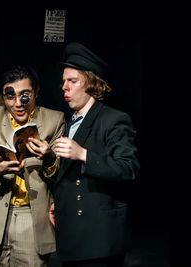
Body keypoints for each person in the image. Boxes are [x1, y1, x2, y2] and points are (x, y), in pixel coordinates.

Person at [50, 42, 140, 267]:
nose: (64, 87)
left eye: (72, 81)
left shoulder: (113, 119)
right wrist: (59, 203)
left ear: (91, 83)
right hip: (72, 235)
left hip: (98, 240)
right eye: (63, 81)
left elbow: (128, 168)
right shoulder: (71, 121)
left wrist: (83, 154)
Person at [0, 65, 66, 266]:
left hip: (30, 219)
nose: (18, 104)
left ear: (36, 92)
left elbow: (61, 174)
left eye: (25, 96)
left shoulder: (54, 120)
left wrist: (48, 157)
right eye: (10, 96)